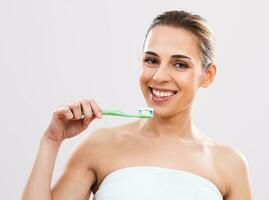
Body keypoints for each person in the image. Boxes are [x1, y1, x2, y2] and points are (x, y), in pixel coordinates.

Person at [22, 10, 252, 200]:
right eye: (151, 60)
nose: (160, 76)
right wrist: (51, 141)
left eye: (179, 64)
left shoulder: (228, 163)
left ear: (207, 75)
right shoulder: (101, 145)